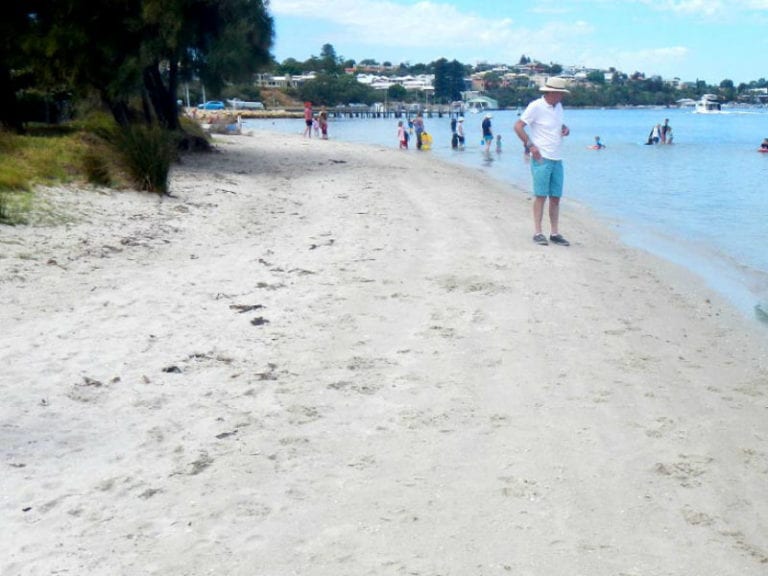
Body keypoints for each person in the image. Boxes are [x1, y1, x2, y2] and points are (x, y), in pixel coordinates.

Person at [514, 77, 571, 247]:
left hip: (557, 157)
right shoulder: (536, 106)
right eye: (560, 93)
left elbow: (556, 124)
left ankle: (554, 233)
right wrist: (530, 145)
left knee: (555, 197)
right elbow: (518, 126)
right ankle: (538, 232)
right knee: (540, 196)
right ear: (551, 92)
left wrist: (564, 129)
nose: (561, 96)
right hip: (541, 157)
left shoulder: (558, 107)